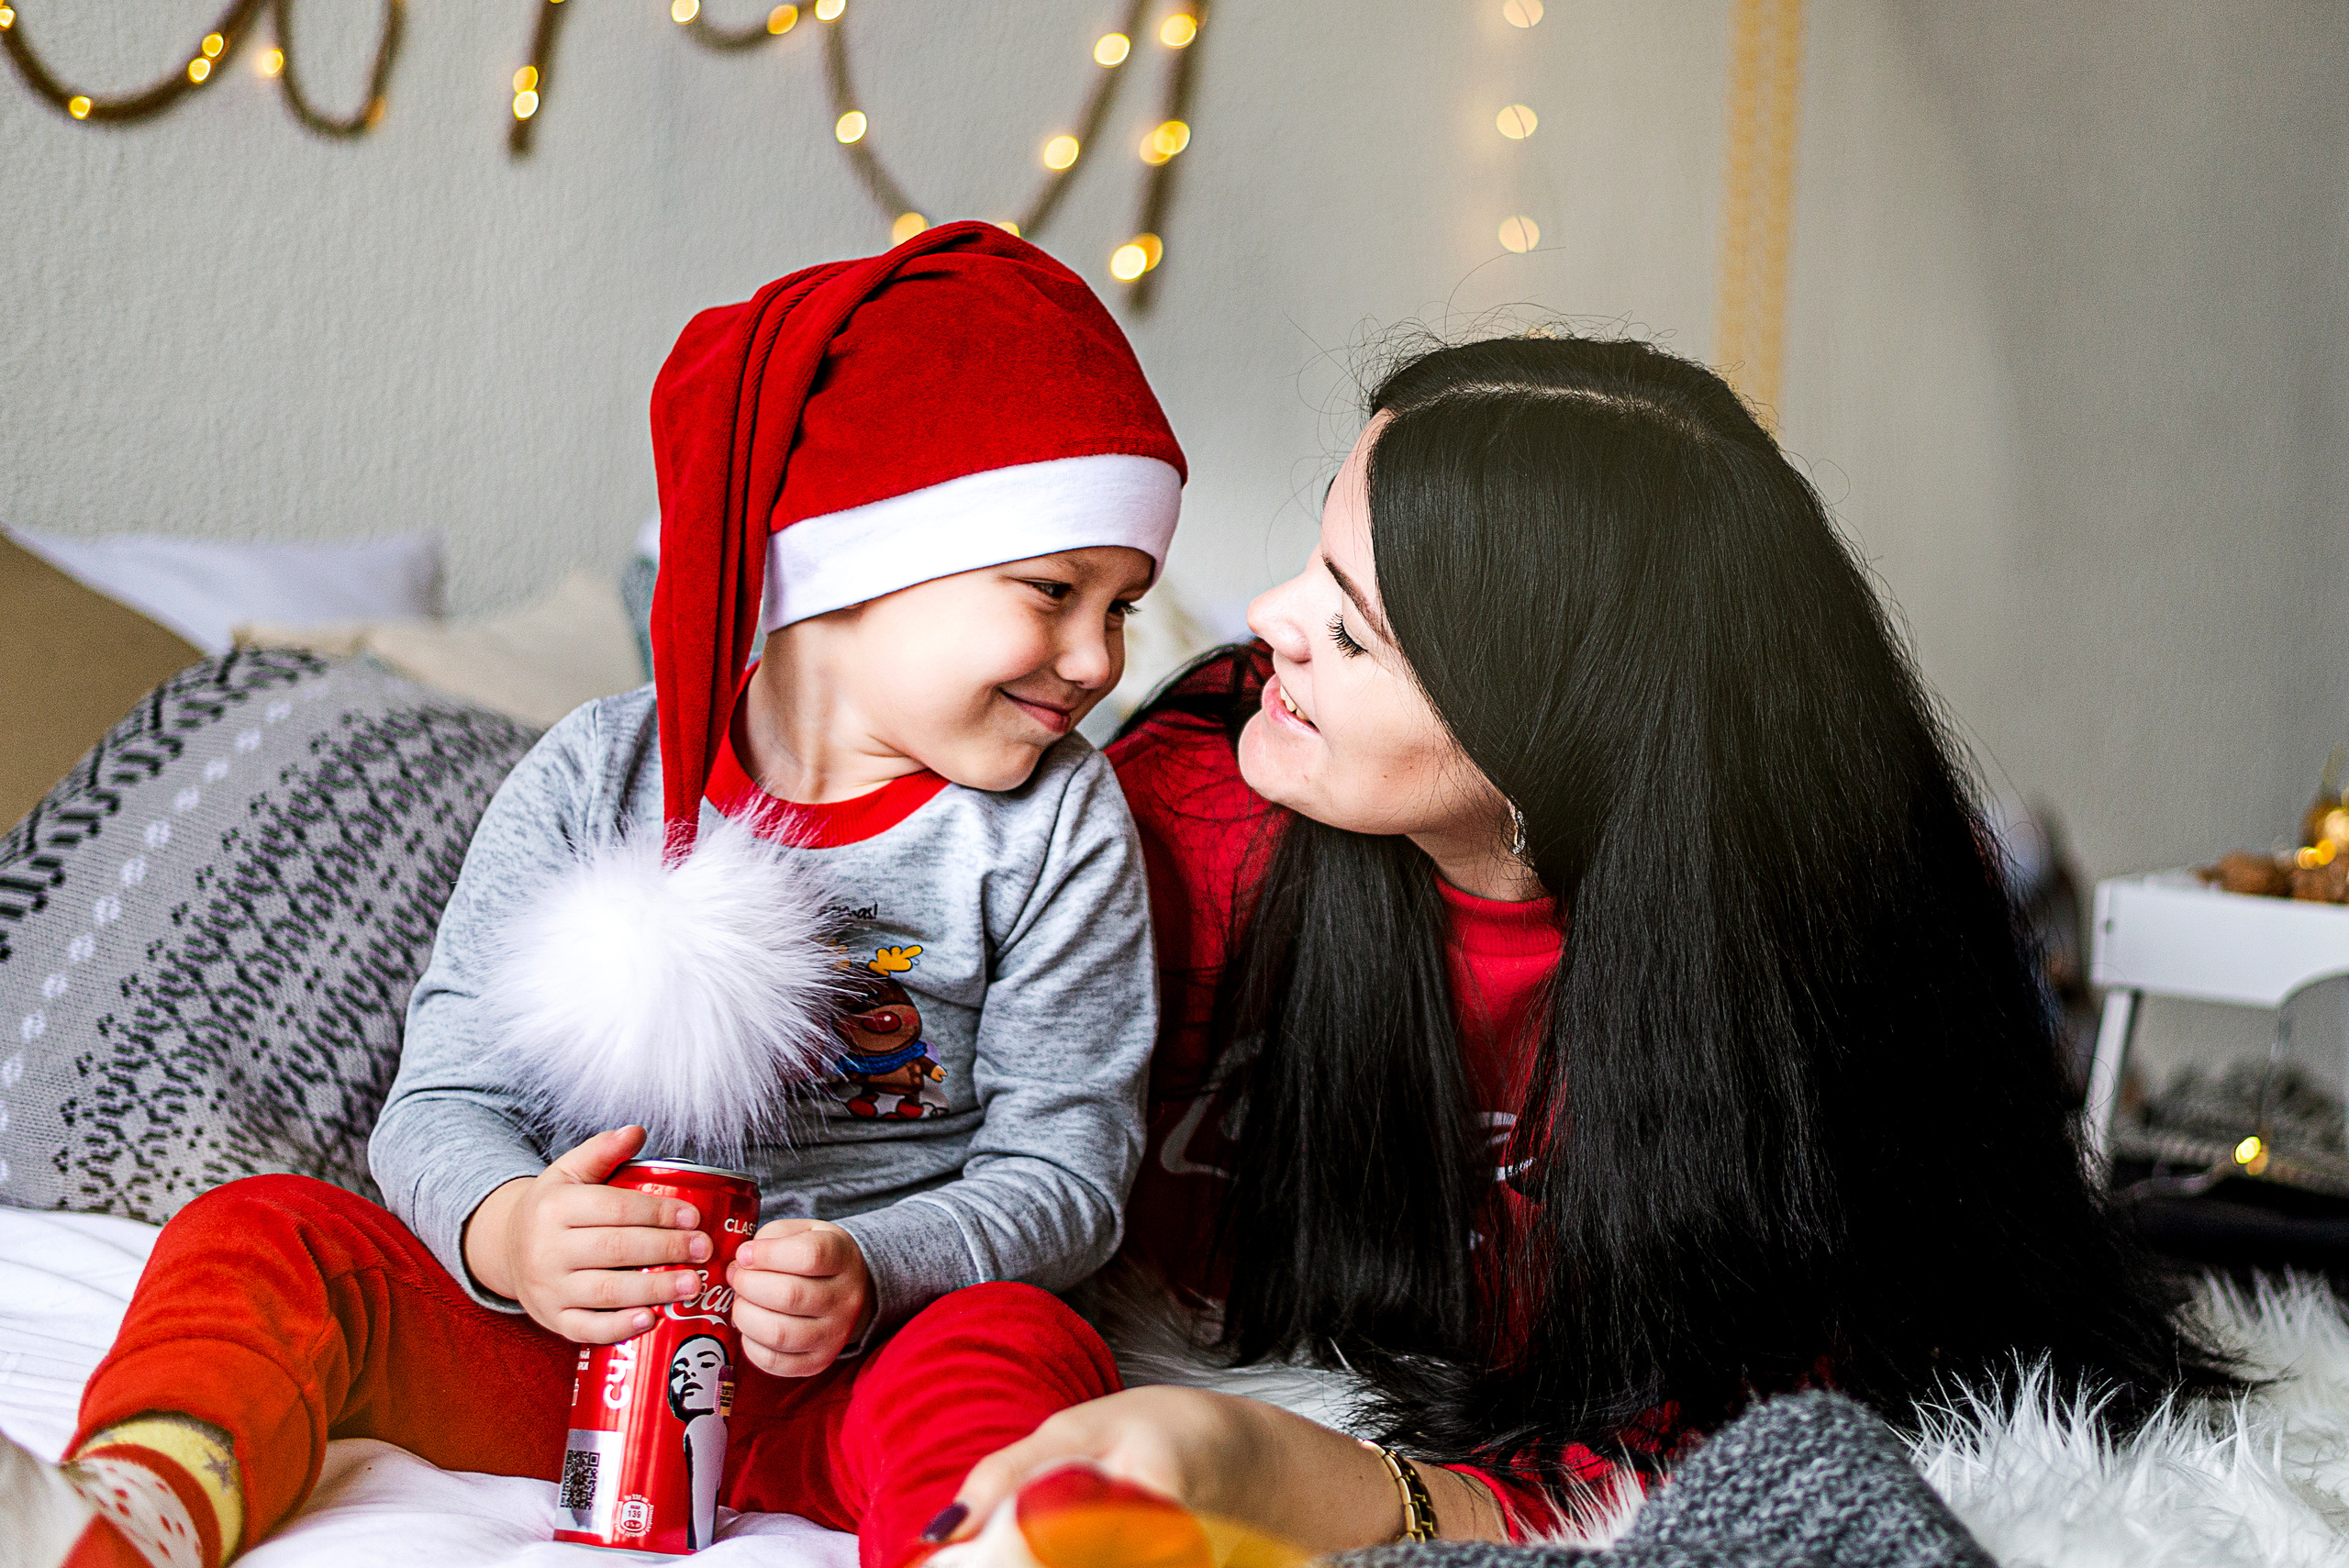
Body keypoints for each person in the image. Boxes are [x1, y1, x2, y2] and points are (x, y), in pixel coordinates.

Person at [927, 333, 2239, 1553]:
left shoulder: (1828, 965)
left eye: (1352, 626)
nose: (1268, 617)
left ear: (1553, 735)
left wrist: (1281, 1469)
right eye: (1317, 559)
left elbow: (1738, 1445)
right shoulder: (1183, 813)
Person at [6, 224, 1175, 1568]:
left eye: (1127, 605)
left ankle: (974, 1541)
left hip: (855, 1365)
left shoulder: (1057, 823)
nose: (1098, 657)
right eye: (1054, 589)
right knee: (266, 1229)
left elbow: (1067, 1173)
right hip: (557, 1348)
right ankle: (137, 1502)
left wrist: (876, 1271)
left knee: (1024, 1342)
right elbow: (442, 1104)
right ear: (854, 561)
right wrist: (511, 1232)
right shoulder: (594, 772)